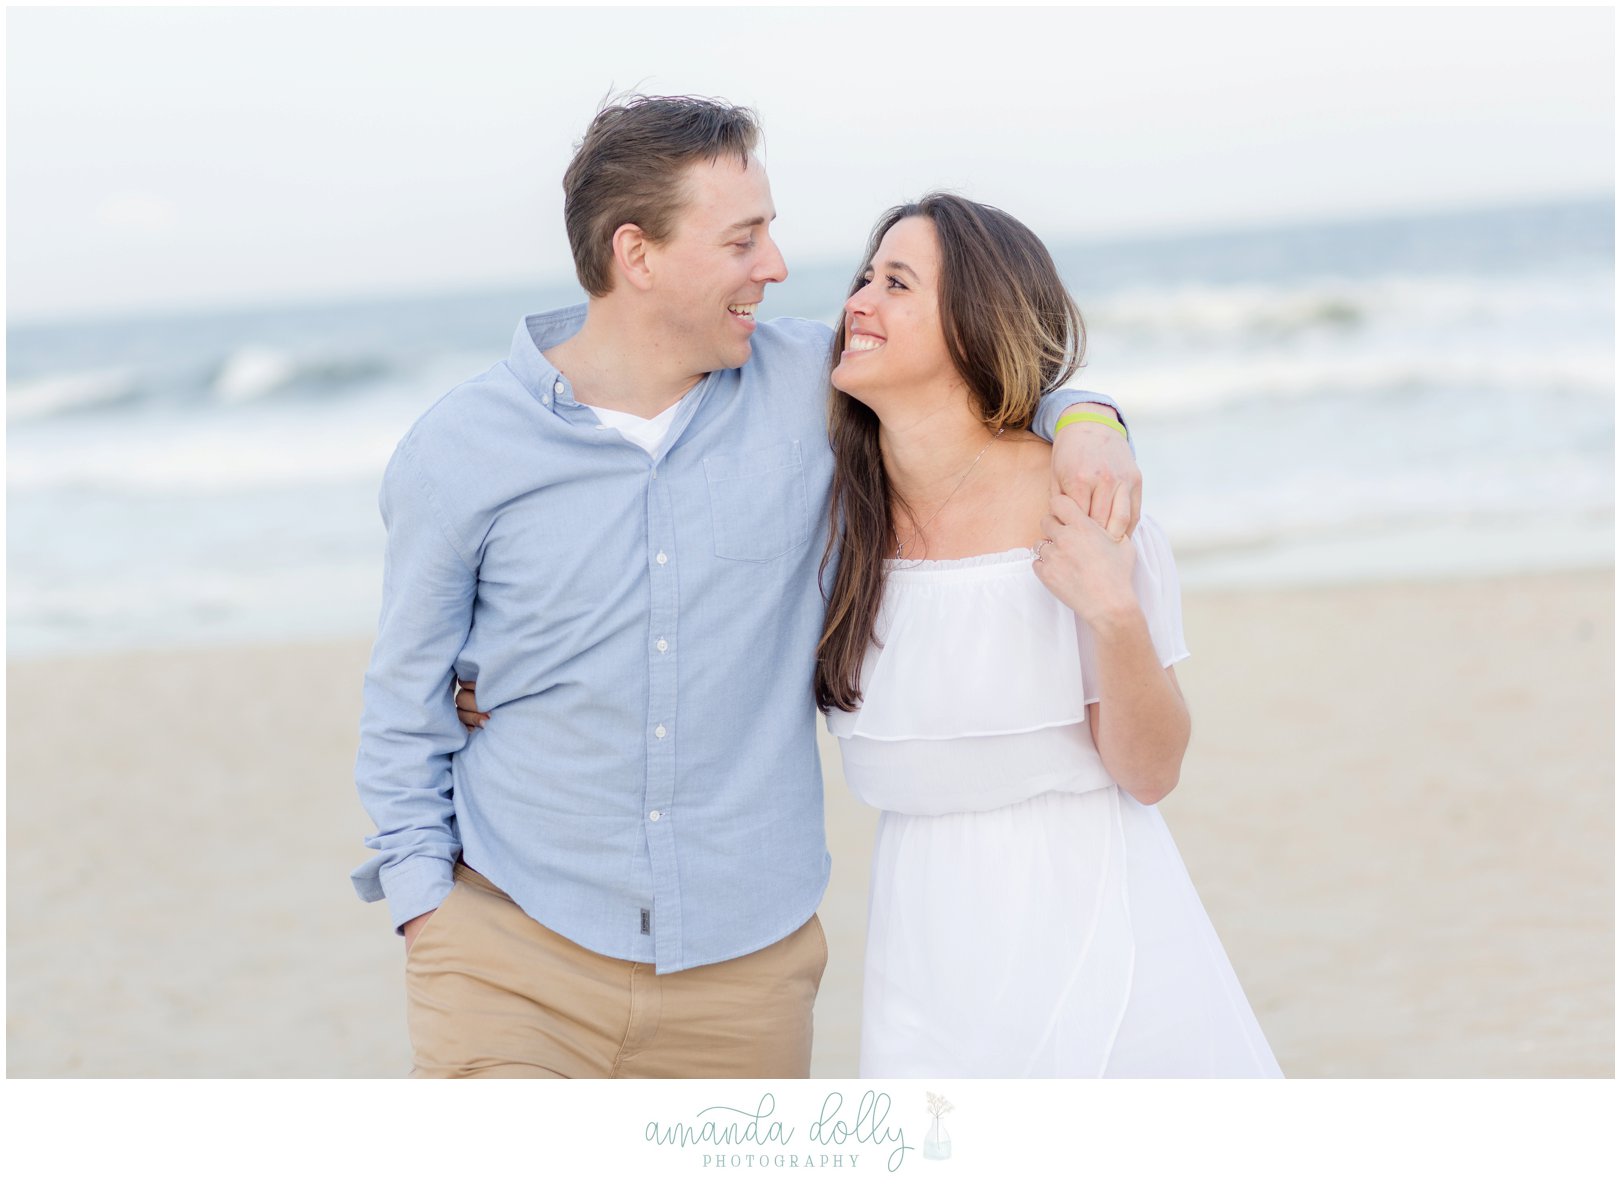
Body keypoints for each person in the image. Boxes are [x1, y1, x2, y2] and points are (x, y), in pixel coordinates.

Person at [352, 94, 1142, 1078]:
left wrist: (1089, 419)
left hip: (746, 981)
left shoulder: (817, 384)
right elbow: (404, 698)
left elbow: (974, 379)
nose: (773, 265)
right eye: (743, 239)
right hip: (511, 953)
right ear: (636, 255)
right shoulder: (459, 450)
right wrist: (425, 901)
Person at [816, 193, 1281, 1077]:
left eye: (897, 282)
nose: (858, 301)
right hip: (922, 947)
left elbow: (1151, 769)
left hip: (1096, 915)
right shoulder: (836, 515)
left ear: (973, 324)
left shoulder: (1081, 503)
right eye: (865, 277)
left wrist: (1115, 614)